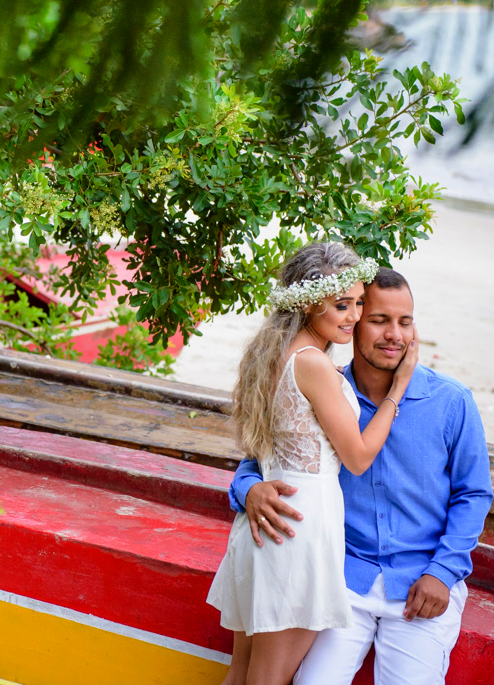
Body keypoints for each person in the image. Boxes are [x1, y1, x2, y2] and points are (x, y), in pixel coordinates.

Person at [230, 268, 493, 685]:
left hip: (420, 583)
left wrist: (442, 572)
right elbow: (262, 458)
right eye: (379, 320)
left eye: (405, 322)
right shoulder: (327, 387)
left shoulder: (451, 400)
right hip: (343, 579)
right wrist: (249, 489)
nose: (395, 335)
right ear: (352, 322)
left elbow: (473, 494)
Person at [206, 243, 418, 685]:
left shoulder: (275, 353)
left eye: (358, 304)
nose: (354, 316)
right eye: (342, 305)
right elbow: (357, 457)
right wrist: (397, 390)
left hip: (269, 518)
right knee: (268, 678)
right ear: (307, 303)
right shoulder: (313, 365)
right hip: (299, 526)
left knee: (241, 674)